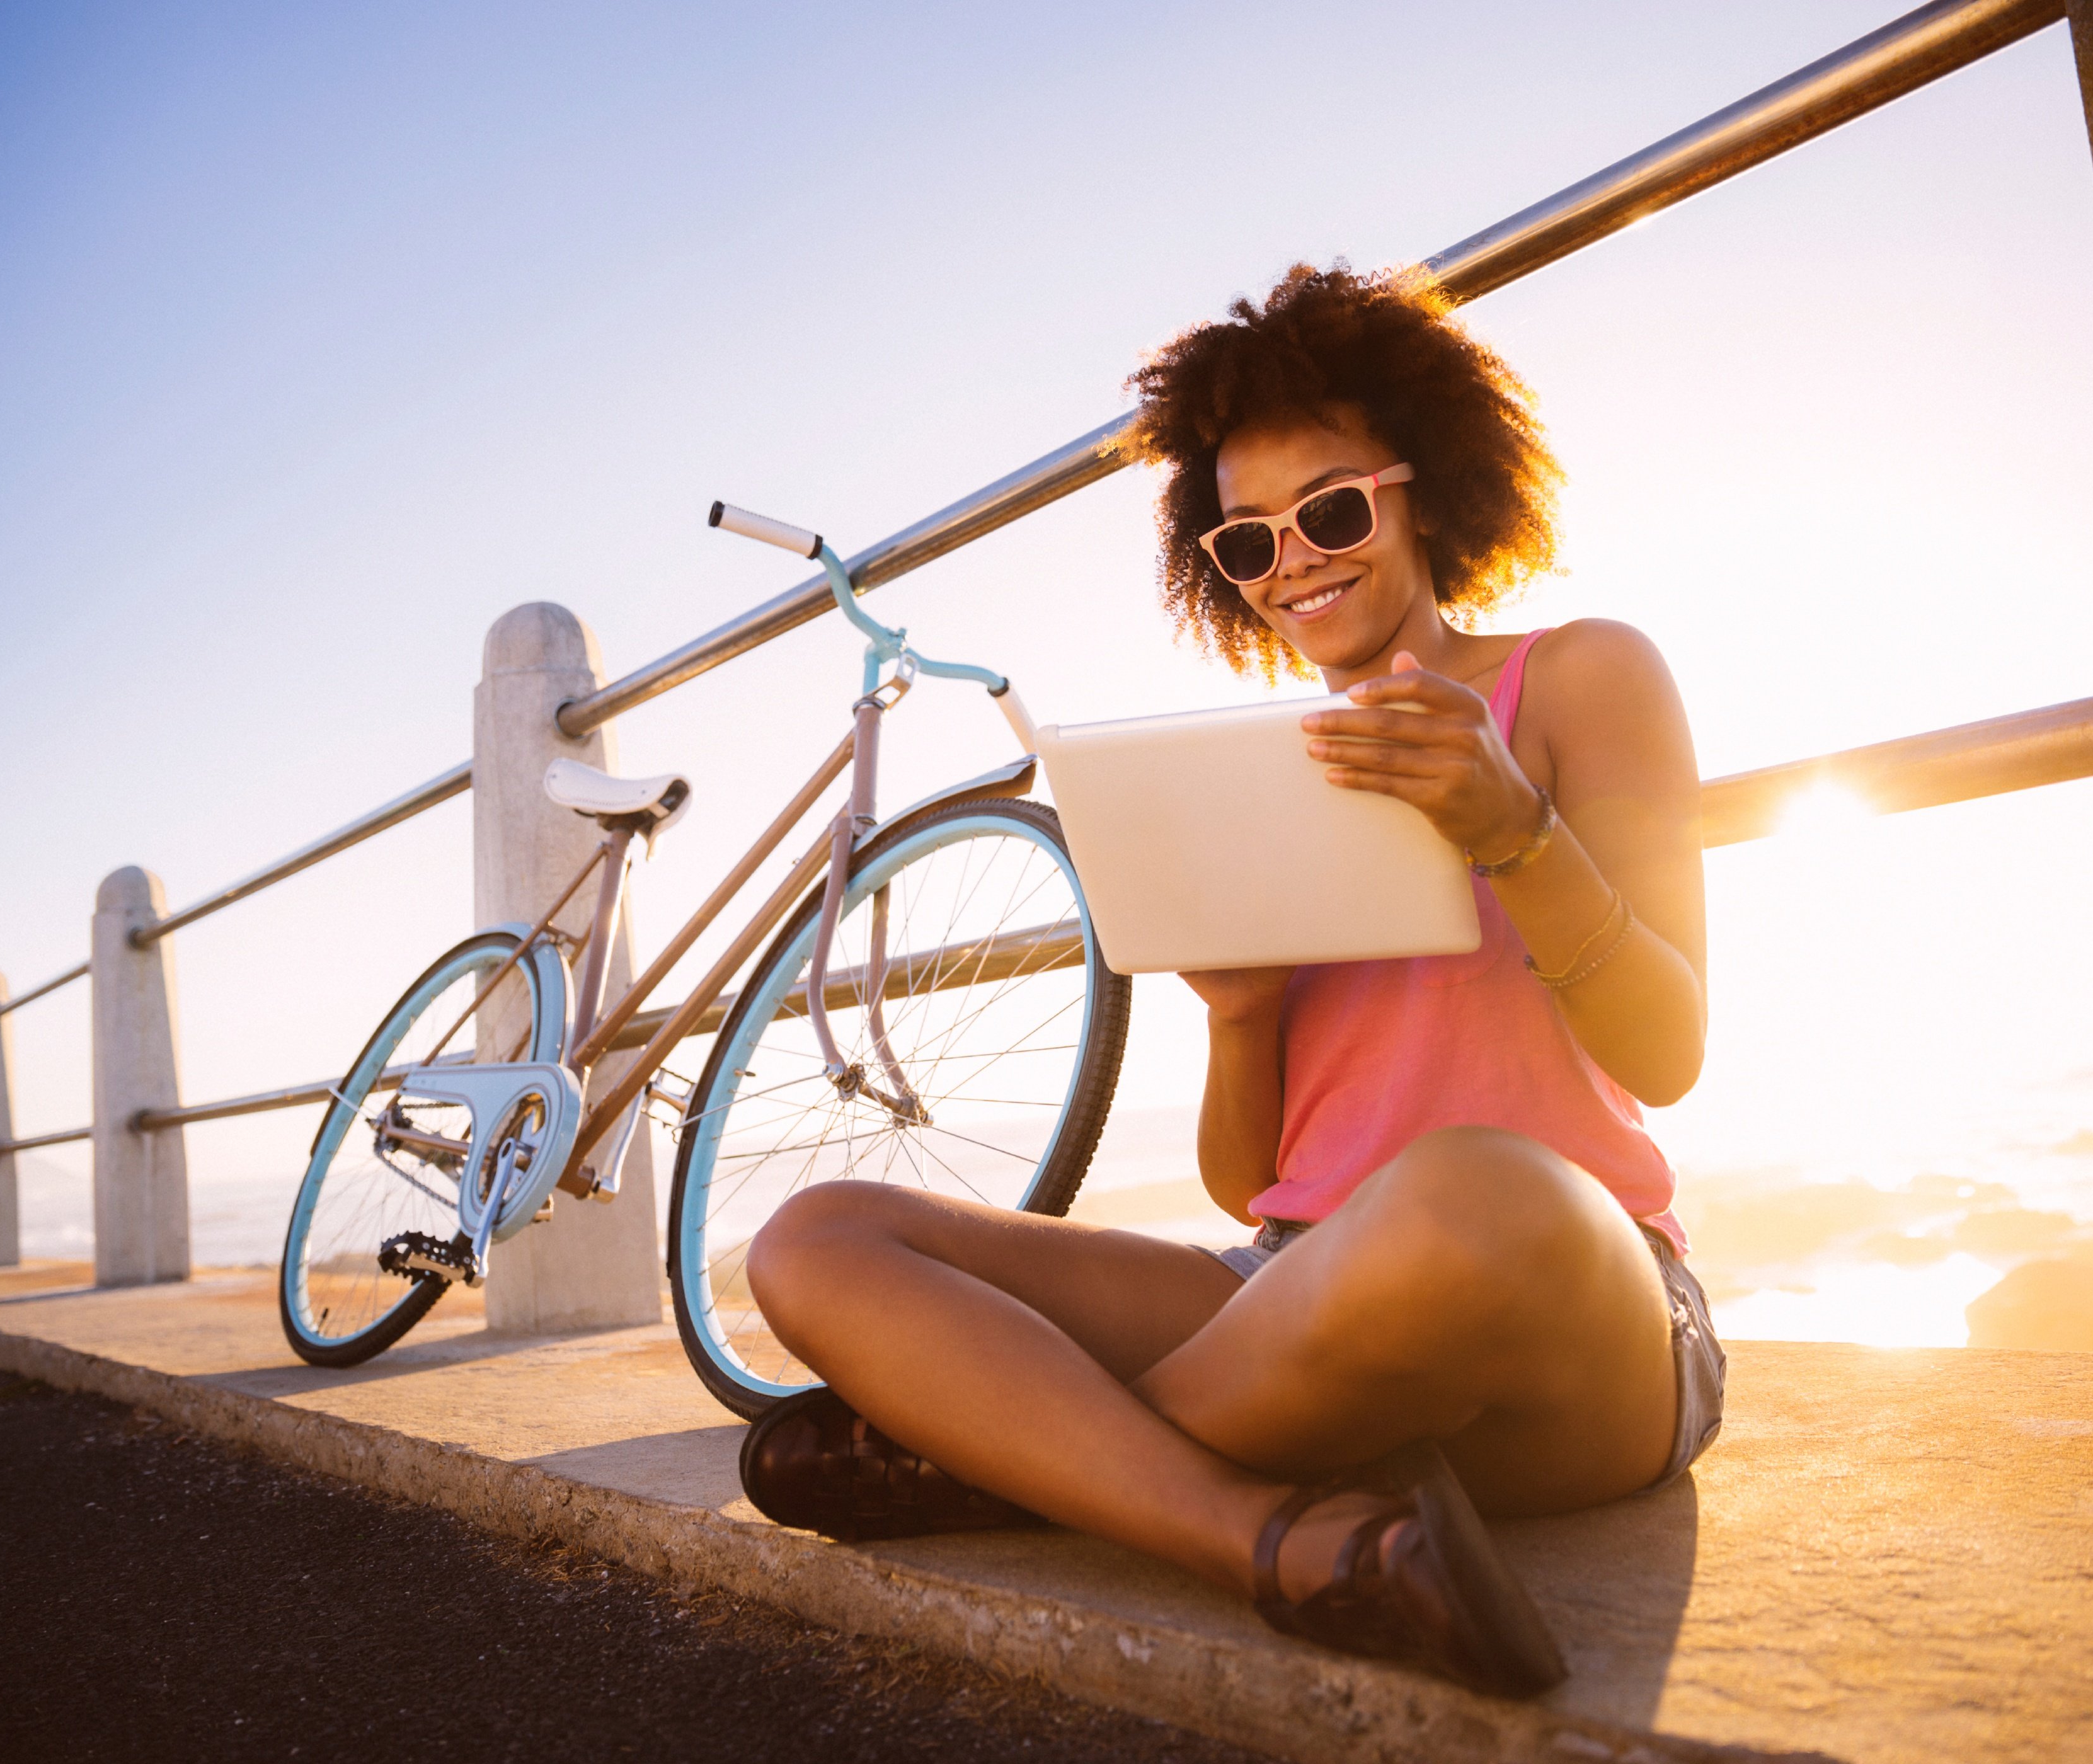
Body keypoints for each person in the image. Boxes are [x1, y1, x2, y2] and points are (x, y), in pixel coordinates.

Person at [735, 265, 1723, 1696]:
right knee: (816, 1235)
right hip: (1293, 1293)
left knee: (1467, 1185)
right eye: (1248, 543)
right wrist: (1242, 1016)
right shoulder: (1264, 781)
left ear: (1428, 490)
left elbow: (1671, 1045)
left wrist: (1513, 827)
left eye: (1331, 512)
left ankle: (1009, 1456)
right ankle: (1271, 1537)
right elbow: (1250, 1181)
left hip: (1579, 1307)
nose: (1296, 564)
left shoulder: (1582, 677)